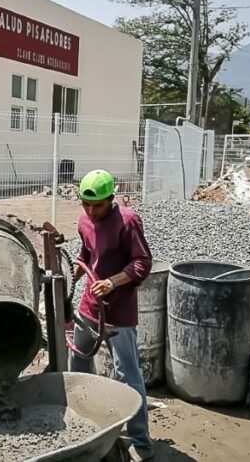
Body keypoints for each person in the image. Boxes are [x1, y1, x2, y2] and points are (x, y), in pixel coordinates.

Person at [67, 169, 154, 462]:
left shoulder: (128, 221)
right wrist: (74, 273)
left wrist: (114, 281)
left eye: (99, 205)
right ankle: (83, 422)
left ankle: (141, 441)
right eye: (86, 205)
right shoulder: (84, 221)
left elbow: (142, 262)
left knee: (127, 374)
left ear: (111, 199)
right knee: (77, 363)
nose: (92, 211)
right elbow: (87, 254)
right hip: (89, 306)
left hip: (119, 311)